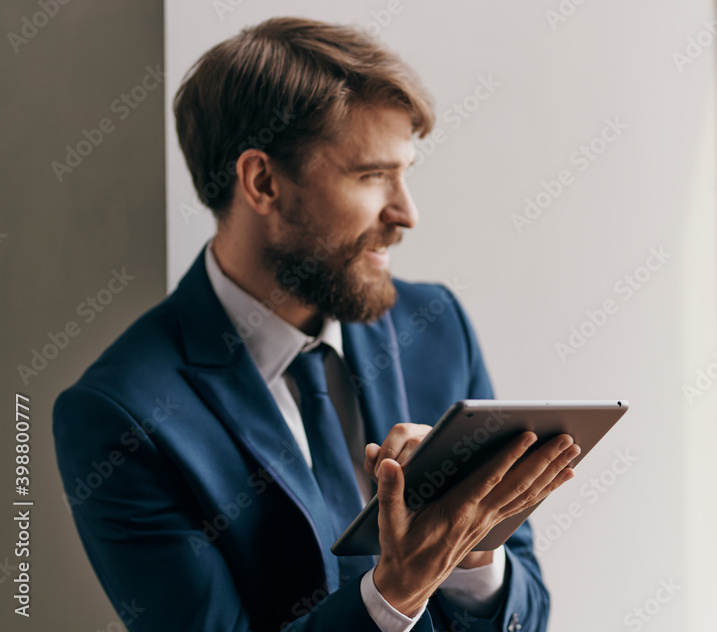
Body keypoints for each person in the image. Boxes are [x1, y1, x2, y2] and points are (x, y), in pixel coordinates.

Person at [52, 17, 580, 632]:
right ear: (263, 182)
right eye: (372, 175)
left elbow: (527, 612)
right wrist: (394, 594)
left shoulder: (437, 326)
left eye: (405, 172)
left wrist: (471, 558)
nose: (407, 213)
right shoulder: (118, 414)